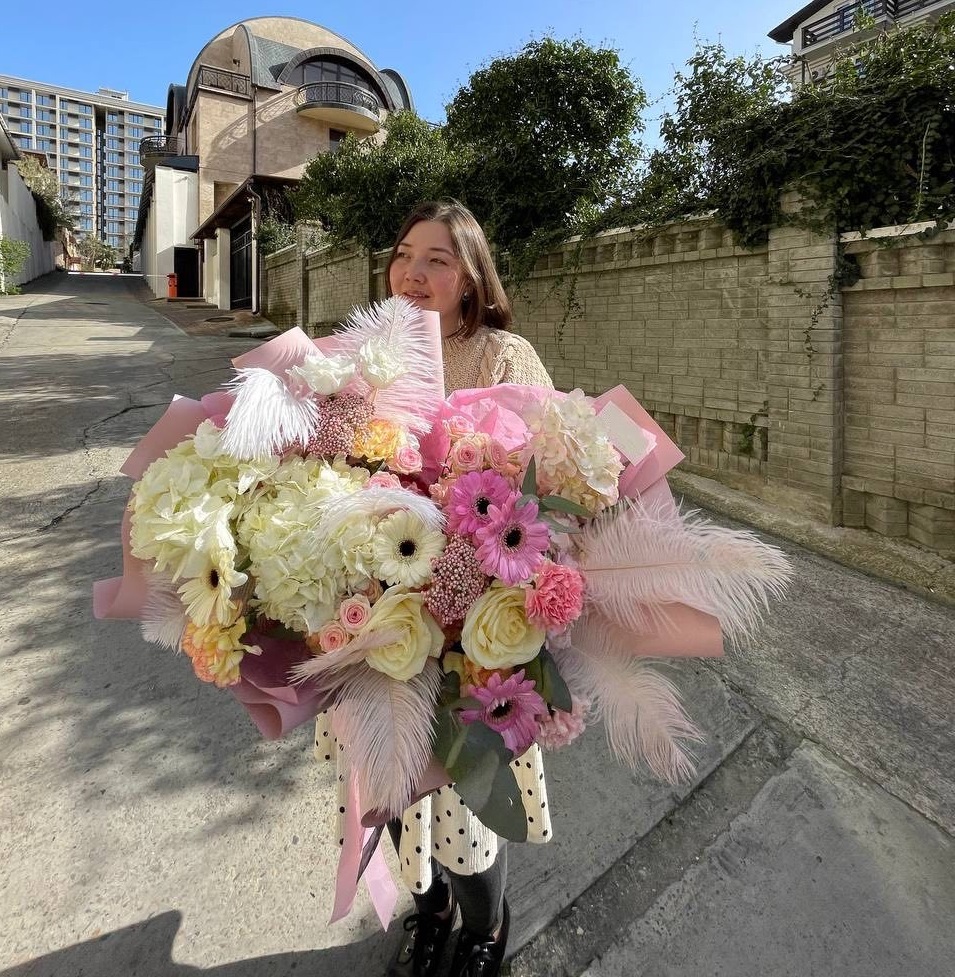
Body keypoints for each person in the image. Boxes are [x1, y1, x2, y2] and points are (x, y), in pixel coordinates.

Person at [316, 200, 554, 977]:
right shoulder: (364, 357)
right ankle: (431, 913)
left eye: (437, 259)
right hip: (376, 621)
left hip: (468, 633)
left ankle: (483, 927)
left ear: (471, 277)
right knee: (390, 786)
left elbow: (547, 480)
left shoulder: (502, 356)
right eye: (402, 254)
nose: (412, 273)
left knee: (463, 806)